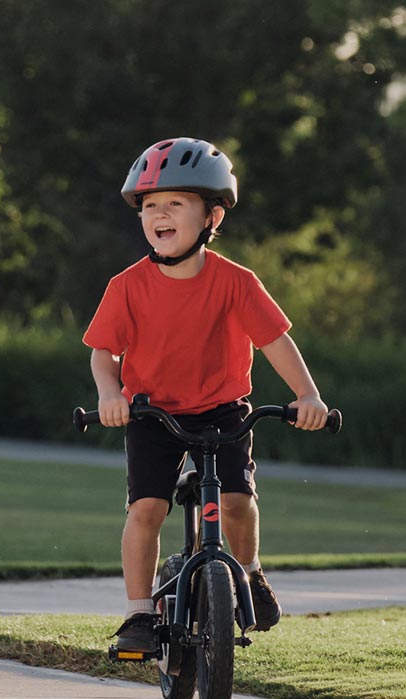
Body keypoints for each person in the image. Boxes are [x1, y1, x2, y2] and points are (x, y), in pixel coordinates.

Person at [81, 137, 330, 654]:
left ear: (212, 217)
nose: (159, 214)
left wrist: (308, 396)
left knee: (238, 502)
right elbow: (103, 353)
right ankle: (138, 615)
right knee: (146, 509)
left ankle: (252, 573)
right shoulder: (127, 286)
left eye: (175, 203)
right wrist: (110, 393)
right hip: (151, 411)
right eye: (150, 206)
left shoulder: (236, 283)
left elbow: (275, 342)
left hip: (222, 410)